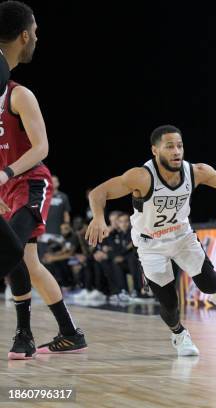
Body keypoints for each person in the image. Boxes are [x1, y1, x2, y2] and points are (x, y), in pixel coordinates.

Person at [86, 125, 216, 356]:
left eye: (180, 145)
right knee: (169, 303)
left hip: (182, 237)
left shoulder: (195, 171)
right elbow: (97, 193)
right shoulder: (141, 176)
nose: (176, 151)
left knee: (211, 286)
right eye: (169, 146)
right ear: (155, 151)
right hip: (150, 244)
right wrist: (98, 218)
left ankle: (214, 288)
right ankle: (179, 335)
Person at [0, 1, 86, 359]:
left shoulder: (19, 93)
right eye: (35, 30)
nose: (37, 35)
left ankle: (24, 335)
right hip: (6, 187)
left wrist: (5, 173)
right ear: (24, 34)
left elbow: (42, 148)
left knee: (14, 253)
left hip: (31, 182)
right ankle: (69, 331)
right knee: (30, 263)